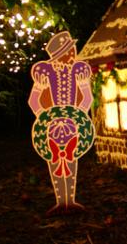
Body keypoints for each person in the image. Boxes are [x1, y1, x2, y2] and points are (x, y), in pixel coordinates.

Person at [28, 31, 94, 214]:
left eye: (73, 48)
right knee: (54, 157)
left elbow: (87, 100)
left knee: (72, 156)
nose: (74, 51)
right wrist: (46, 118)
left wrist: (77, 115)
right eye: (70, 49)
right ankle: (60, 201)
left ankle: (70, 201)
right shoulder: (45, 72)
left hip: (74, 124)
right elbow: (34, 101)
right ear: (62, 52)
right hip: (51, 126)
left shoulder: (78, 70)